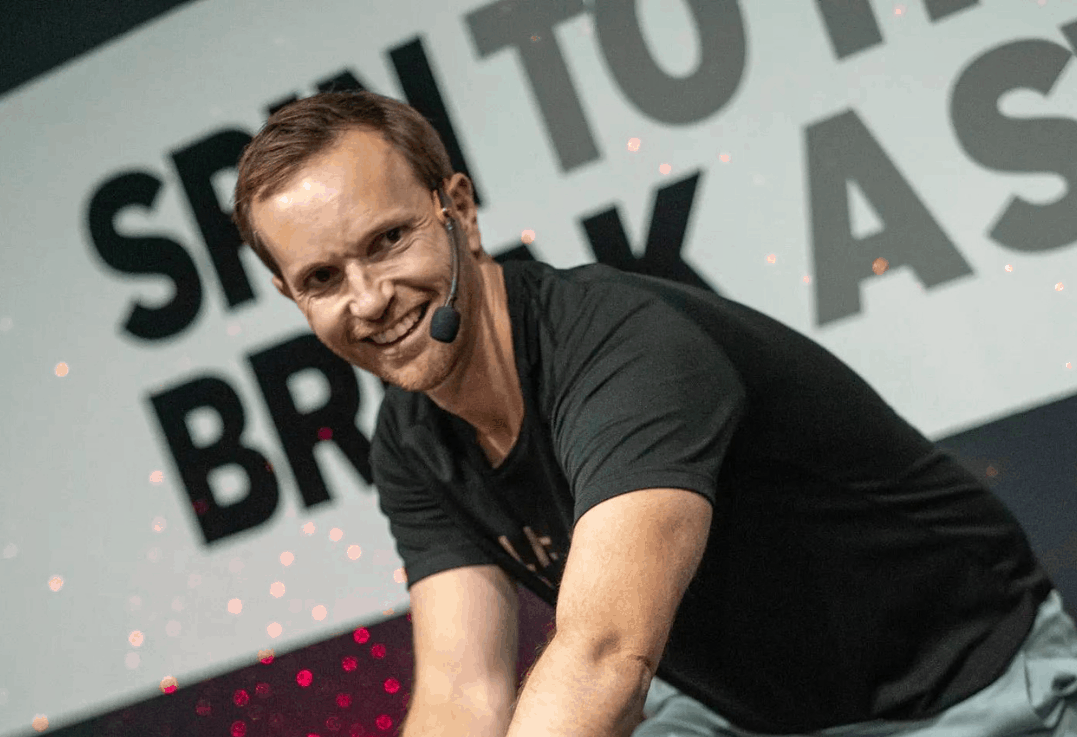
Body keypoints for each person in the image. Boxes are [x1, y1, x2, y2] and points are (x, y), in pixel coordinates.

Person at [232, 90, 1077, 737]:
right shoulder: (411, 439)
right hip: (755, 716)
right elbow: (462, 694)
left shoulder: (625, 348)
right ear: (289, 295)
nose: (371, 299)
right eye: (322, 279)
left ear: (460, 210)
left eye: (388, 240)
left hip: (968, 692)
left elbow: (604, 656)